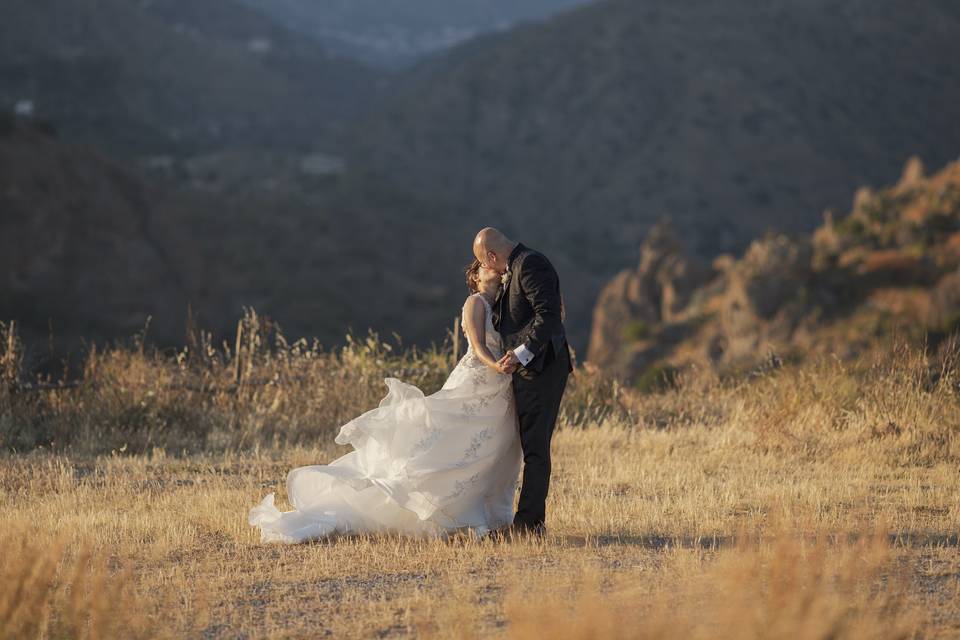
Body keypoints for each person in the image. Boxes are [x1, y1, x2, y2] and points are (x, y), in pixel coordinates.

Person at [248, 259, 522, 542]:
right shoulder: (475, 303)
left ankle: (479, 514)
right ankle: (448, 513)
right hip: (478, 377)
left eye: (495, 264)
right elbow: (477, 346)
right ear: (475, 276)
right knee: (452, 444)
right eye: (484, 265)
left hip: (497, 387)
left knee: (485, 450)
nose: (493, 267)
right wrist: (496, 365)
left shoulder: (503, 305)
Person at [474, 227, 571, 537]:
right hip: (528, 370)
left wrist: (520, 354)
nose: (490, 270)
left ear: (491, 256)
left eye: (487, 263)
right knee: (529, 445)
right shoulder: (515, 267)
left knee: (536, 448)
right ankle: (526, 523)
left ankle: (529, 526)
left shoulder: (530, 264)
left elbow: (549, 315)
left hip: (542, 368)